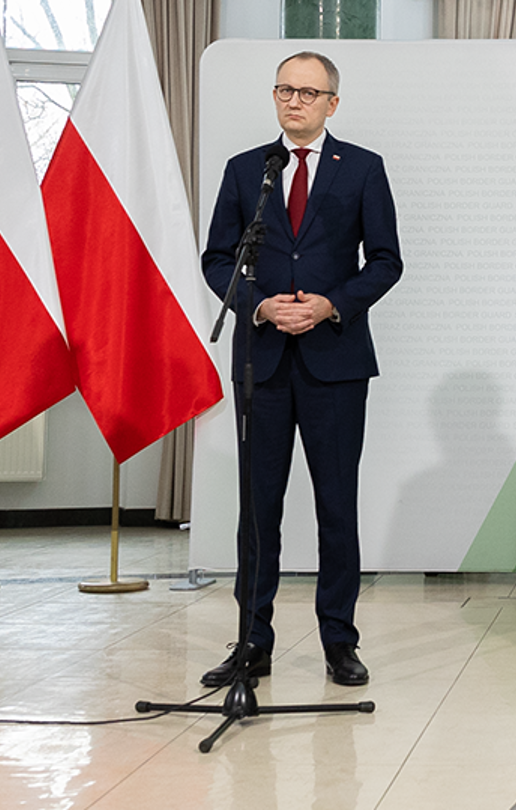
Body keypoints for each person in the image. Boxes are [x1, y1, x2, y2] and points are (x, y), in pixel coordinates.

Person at [200, 51, 403, 688]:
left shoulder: (362, 168)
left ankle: (339, 641)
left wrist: (331, 304)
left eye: (309, 93)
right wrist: (259, 305)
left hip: (335, 363)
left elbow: (386, 261)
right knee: (258, 509)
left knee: (336, 507)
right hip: (260, 362)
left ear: (332, 103)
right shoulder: (247, 170)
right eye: (285, 90)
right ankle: (251, 641)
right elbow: (217, 259)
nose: (295, 101)